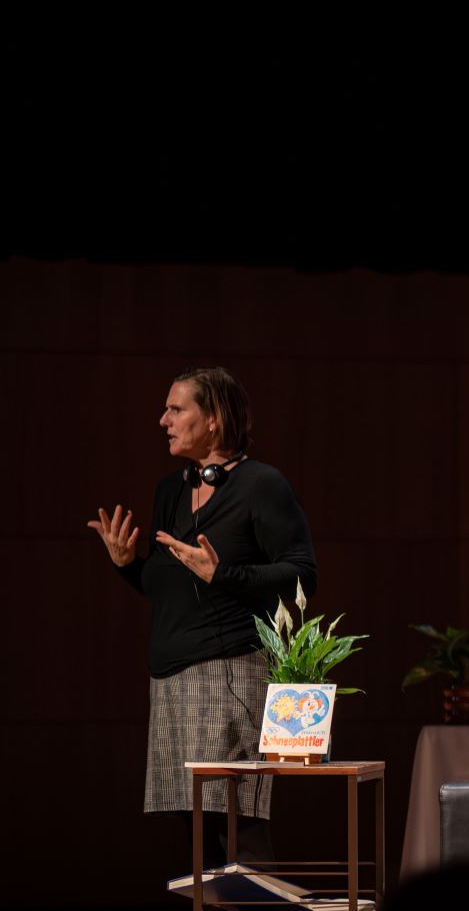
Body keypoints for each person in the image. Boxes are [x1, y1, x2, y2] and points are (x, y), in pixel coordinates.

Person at [87, 367, 318, 880]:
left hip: (230, 670)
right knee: (194, 822)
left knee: (235, 820)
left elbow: (303, 576)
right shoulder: (172, 491)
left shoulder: (262, 485)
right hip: (172, 676)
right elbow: (169, 588)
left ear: (213, 420)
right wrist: (127, 566)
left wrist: (224, 573)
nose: (163, 420)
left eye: (176, 409)